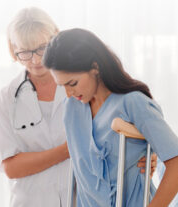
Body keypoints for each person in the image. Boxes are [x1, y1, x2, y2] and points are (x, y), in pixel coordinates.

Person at [0, 7, 157, 207]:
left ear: (55, 39)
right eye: (25, 52)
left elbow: (115, 130)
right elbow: (11, 167)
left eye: (41, 48)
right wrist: (71, 148)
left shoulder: (83, 87)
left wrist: (144, 154)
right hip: (32, 200)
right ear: (13, 50)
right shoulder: (7, 97)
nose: (35, 60)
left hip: (81, 198)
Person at [42, 28, 178, 207]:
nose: (68, 93)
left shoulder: (133, 103)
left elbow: (175, 161)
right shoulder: (72, 108)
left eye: (72, 83)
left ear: (95, 67)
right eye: (62, 86)